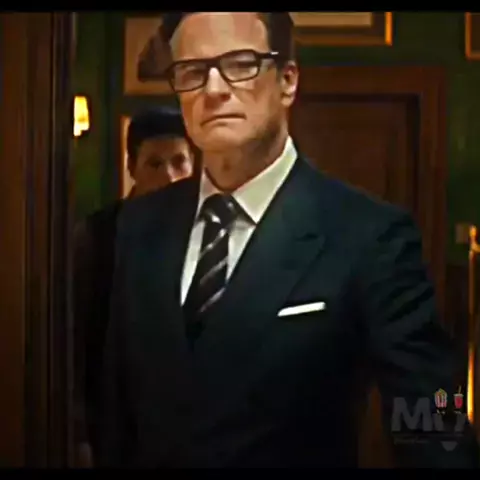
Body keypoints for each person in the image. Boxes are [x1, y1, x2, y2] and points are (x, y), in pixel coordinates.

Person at [99, 12, 479, 468]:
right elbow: (118, 411)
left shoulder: (369, 234)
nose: (213, 89)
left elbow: (434, 420)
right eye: (193, 71)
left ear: (287, 81)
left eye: (240, 64)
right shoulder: (141, 226)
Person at [73, 106, 194, 466]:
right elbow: (80, 337)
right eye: (155, 164)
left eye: (179, 162)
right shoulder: (99, 234)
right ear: (132, 167)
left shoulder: (206, 231)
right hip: (116, 415)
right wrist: (81, 432)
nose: (170, 177)